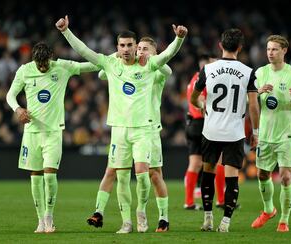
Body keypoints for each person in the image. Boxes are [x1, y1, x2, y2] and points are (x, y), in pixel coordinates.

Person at [56, 15, 187, 233]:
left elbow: (167, 57)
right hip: (118, 130)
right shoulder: (110, 63)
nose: (126, 49)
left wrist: (179, 39)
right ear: (117, 47)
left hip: (144, 129)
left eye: (130, 45)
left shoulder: (149, 65)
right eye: (122, 45)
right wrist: (65, 32)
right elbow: (85, 51)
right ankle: (126, 222)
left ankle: (141, 211)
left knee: (144, 174)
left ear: (136, 47)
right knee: (122, 177)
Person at [6, 42, 100, 233]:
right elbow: (10, 95)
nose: (42, 67)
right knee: (35, 177)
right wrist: (18, 109)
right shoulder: (24, 71)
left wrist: (109, 59)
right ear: (34, 60)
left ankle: (49, 217)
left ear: (51, 58)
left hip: (53, 132)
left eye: (45, 63)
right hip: (32, 133)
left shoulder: (62, 67)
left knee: (49, 175)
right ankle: (40, 220)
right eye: (39, 64)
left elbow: (89, 65)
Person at [89, 37, 172, 233]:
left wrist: (151, 59)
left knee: (154, 175)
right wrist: (116, 56)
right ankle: (115, 216)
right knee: (117, 172)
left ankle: (163, 217)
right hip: (126, 127)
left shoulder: (156, 70)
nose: (141, 51)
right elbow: (103, 73)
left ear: (154, 52)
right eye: (139, 48)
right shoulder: (131, 66)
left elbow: (168, 70)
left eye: (146, 49)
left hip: (149, 129)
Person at [191, 28, 260, 232]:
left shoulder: (208, 69)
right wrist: (255, 132)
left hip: (211, 131)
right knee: (231, 178)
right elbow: (254, 106)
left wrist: (201, 104)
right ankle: (226, 223)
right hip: (234, 133)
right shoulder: (248, 72)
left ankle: (207, 218)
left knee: (208, 174)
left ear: (220, 46)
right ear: (240, 47)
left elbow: (194, 97)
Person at [251, 35, 291, 232]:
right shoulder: (261, 73)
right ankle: (268, 210)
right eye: (268, 49)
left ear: (284, 51)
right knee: (262, 174)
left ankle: (284, 220)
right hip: (265, 134)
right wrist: (259, 91)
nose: (270, 53)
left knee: (286, 177)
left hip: (287, 134)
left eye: (274, 49)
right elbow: (250, 99)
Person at [184, 53, 222, 210]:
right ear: (205, 65)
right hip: (203, 123)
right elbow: (204, 102)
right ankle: (221, 199)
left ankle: (189, 202)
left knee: (194, 164)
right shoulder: (205, 79)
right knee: (218, 161)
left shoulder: (193, 79)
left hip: (192, 124)